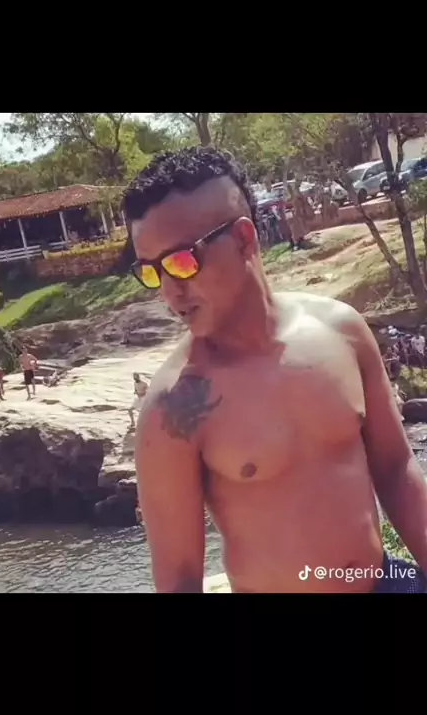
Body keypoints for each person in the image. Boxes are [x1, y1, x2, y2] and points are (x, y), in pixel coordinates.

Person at [124, 146, 427, 594]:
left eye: (182, 262)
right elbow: (179, 579)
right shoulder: (172, 408)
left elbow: (396, 469)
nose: (170, 292)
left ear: (244, 239)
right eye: (152, 272)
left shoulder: (342, 331)